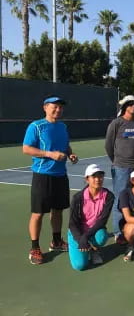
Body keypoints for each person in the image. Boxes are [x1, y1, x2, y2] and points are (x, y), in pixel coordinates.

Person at [22, 95, 79, 265]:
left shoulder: (62, 126)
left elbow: (65, 145)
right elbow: (26, 148)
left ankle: (56, 241)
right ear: (45, 108)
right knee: (38, 213)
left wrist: (70, 154)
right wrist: (50, 154)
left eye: (60, 107)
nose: (58, 110)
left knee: (58, 210)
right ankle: (35, 248)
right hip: (42, 175)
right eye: (54, 106)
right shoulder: (36, 126)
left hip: (60, 175)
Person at [105, 94, 134, 245]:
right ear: (125, 106)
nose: (133, 106)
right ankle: (118, 231)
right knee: (120, 199)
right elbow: (108, 145)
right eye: (130, 104)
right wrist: (116, 162)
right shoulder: (116, 123)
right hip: (121, 168)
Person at [68, 164, 114, 271]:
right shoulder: (78, 198)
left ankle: (94, 249)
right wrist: (80, 239)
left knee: (102, 236)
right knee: (79, 266)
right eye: (94, 177)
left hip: (95, 230)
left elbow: (102, 221)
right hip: (77, 231)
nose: (98, 179)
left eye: (100, 176)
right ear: (87, 179)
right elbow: (72, 223)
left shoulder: (109, 196)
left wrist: (86, 237)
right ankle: (79, 245)